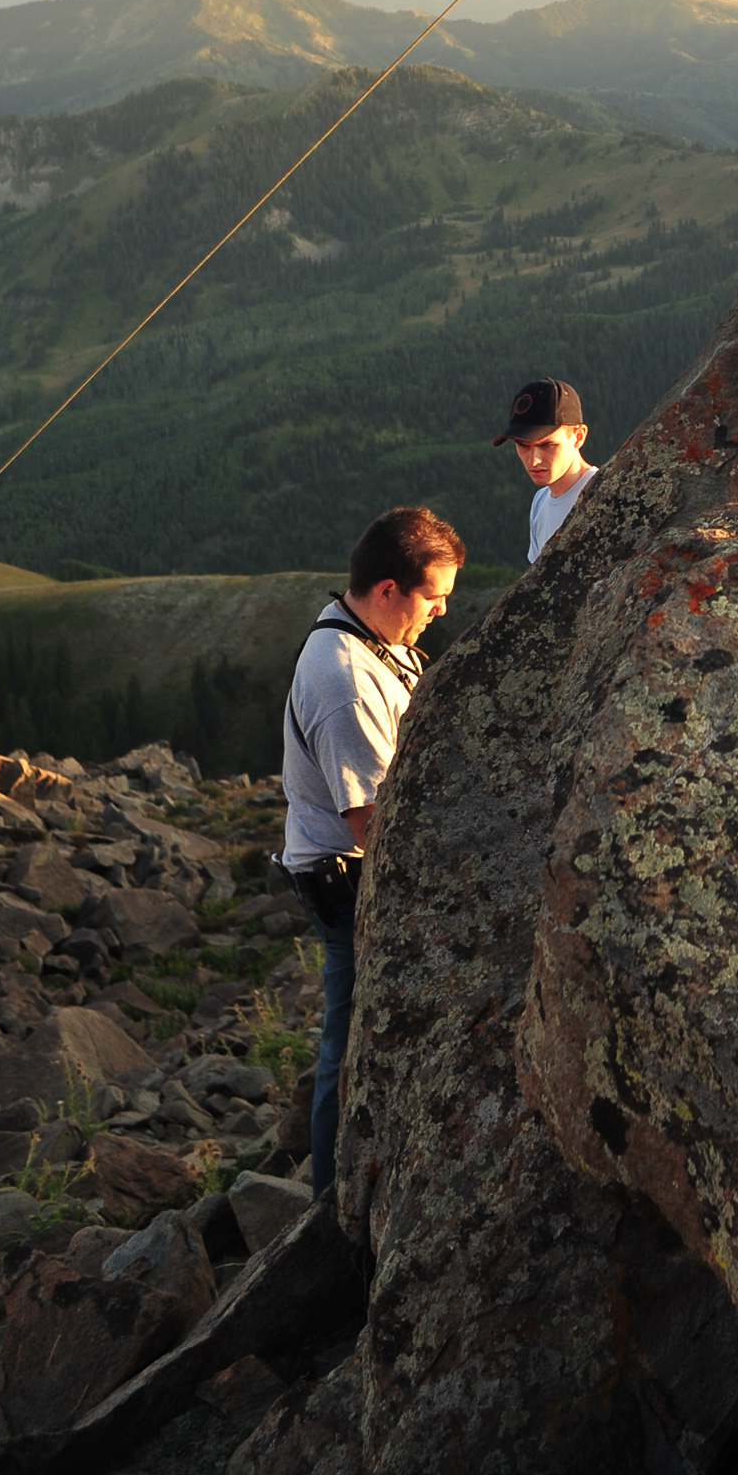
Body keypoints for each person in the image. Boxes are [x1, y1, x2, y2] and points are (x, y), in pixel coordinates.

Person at [281, 503, 462, 1196]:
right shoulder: (345, 684)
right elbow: (376, 829)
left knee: (352, 1032)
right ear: (388, 590)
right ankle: (333, 1201)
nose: (440, 612)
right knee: (350, 1040)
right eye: (433, 597)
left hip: (345, 868)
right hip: (350, 879)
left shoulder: (366, 639)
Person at [495, 375, 598, 562]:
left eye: (547, 445)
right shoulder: (540, 502)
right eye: (523, 445)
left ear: (579, 436)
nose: (533, 460)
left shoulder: (602, 494)